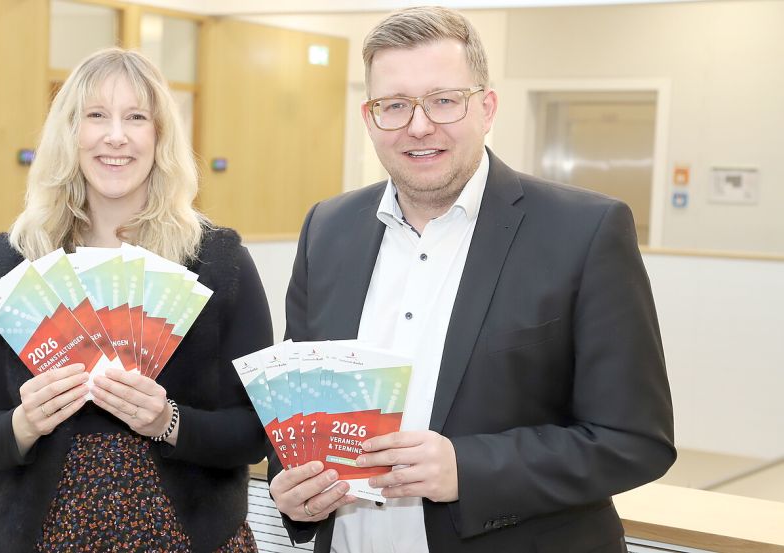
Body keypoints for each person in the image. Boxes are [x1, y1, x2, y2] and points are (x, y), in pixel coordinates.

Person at [268, 7, 675, 553]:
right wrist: (290, 487)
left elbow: (635, 441)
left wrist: (468, 469)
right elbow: (295, 408)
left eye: (443, 100)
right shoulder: (327, 229)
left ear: (486, 108)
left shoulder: (585, 231)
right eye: (394, 105)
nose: (418, 125)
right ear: (369, 118)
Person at [0, 48, 272, 553]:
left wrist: (169, 422)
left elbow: (254, 432)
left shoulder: (218, 263)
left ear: (160, 137)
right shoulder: (14, 264)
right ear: (70, 134)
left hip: (191, 540)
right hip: (41, 540)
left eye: (136, 117)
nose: (116, 136)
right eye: (96, 115)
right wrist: (24, 424)